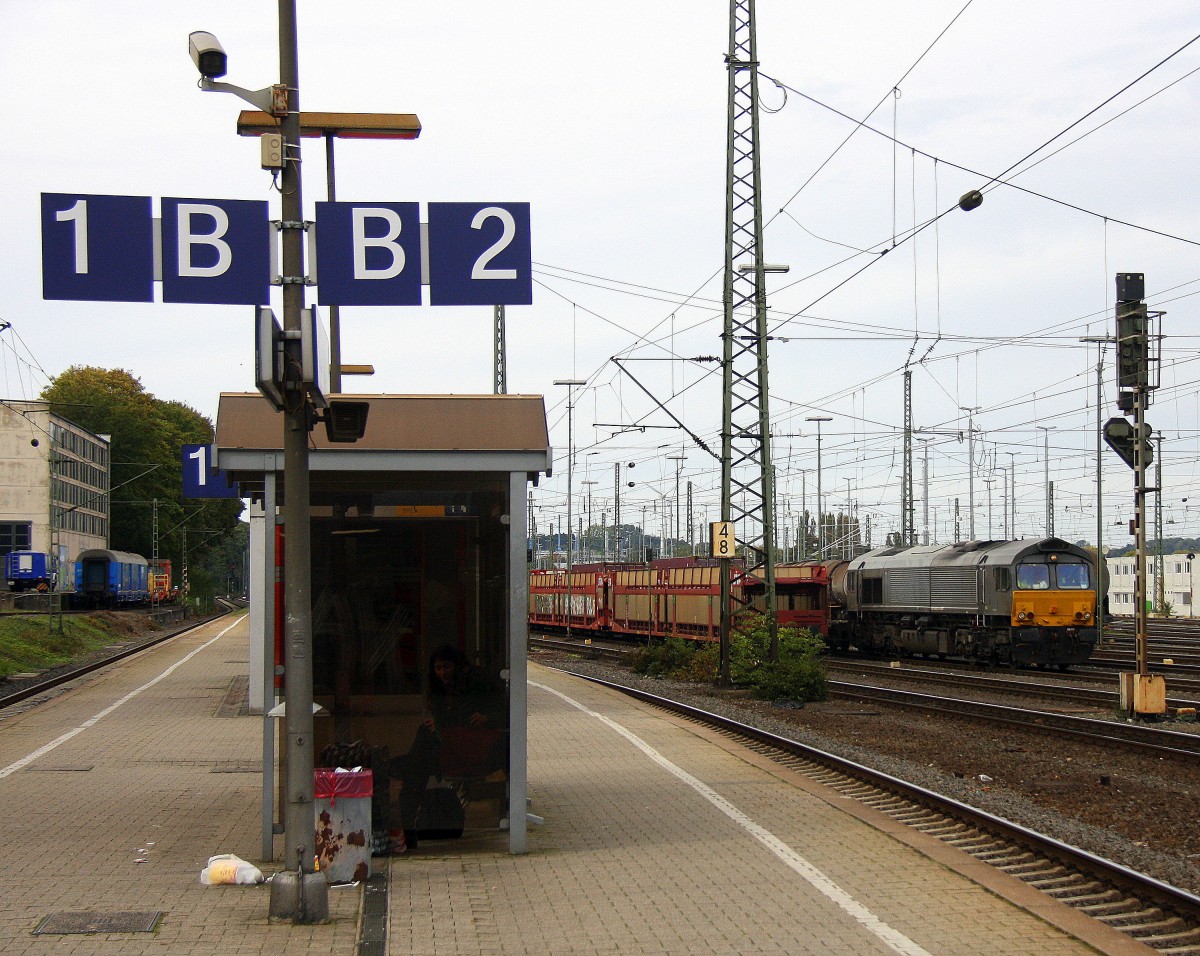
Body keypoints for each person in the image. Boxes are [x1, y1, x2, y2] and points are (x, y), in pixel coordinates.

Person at [388, 645, 507, 844]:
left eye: (446, 667)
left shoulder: (475, 683)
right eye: (438, 668)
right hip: (450, 746)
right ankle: (406, 767)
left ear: (457, 666)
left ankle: (400, 767)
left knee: (417, 762)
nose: (442, 672)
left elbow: (480, 713)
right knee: (418, 762)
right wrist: (440, 724)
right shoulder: (441, 689)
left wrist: (445, 724)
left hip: (472, 747)